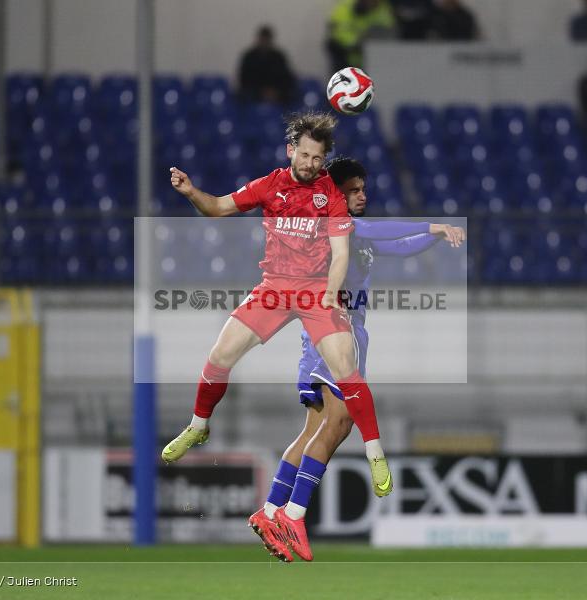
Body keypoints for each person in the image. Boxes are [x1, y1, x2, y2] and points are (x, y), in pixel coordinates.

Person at [164, 112, 393, 514]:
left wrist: (330, 293)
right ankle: (199, 427)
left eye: (317, 158)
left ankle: (376, 455)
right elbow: (218, 207)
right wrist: (190, 192)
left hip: (315, 293)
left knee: (347, 370)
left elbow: (340, 253)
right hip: (273, 289)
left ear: (324, 160)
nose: (309, 164)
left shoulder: (331, 196)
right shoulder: (270, 185)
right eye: (304, 155)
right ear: (291, 151)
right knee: (220, 357)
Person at [247, 157, 466, 562]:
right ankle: (294, 515)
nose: (363, 195)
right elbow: (382, 230)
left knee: (316, 427)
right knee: (341, 420)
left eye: (364, 189)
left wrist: (435, 237)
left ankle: (272, 509)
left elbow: (396, 245)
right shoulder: (336, 225)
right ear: (335, 195)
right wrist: (432, 224)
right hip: (334, 333)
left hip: (323, 337)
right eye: (354, 190)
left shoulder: (352, 237)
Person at [326, 0, 396, 73]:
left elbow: (389, 30)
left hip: (369, 53)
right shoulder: (346, 6)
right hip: (344, 49)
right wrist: (355, 43)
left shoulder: (383, 9)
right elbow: (335, 30)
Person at [237, 25, 297, 106]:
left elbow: (287, 78)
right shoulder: (249, 57)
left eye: (266, 39)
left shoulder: (278, 57)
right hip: (255, 94)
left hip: (277, 94)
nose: (264, 42)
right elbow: (244, 80)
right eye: (263, 39)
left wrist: (275, 91)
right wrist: (261, 92)